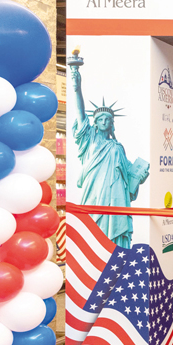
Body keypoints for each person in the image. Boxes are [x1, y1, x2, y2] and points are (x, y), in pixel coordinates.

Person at [71, 61, 150, 249]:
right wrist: (76, 86)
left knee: (115, 232)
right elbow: (80, 112)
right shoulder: (88, 139)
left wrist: (140, 176)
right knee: (93, 228)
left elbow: (129, 173)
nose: (104, 121)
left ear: (112, 123)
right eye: (100, 119)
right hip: (95, 191)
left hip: (116, 194)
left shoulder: (117, 146)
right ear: (95, 123)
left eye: (108, 119)